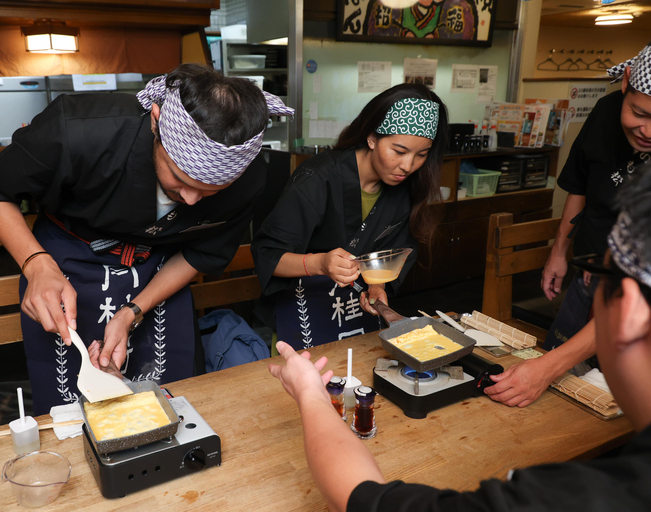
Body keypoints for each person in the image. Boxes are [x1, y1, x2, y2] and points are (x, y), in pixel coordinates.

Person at [268, 165, 651, 512]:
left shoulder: (567, 497)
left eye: (593, 273)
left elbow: (360, 496)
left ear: (631, 310)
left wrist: (310, 393)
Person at [0, 64, 293, 414]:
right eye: (178, 179)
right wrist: (35, 264)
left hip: (158, 270)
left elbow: (200, 254)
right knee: (70, 406)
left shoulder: (250, 178)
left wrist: (133, 312)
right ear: (156, 121)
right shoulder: (80, 130)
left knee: (173, 401)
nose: (190, 200)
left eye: (210, 191)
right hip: (64, 263)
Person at [486, 42, 651, 407]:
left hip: (637, 306)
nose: (648, 131)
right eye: (640, 113)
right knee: (547, 393)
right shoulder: (605, 112)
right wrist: (560, 251)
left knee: (603, 408)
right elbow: (579, 183)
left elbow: (636, 304)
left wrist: (547, 369)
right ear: (625, 82)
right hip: (589, 275)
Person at [251, 84, 448, 350]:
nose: (408, 165)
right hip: (299, 318)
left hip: (357, 317)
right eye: (399, 151)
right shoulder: (318, 179)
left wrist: (378, 287)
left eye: (421, 154)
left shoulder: (403, 190)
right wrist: (321, 263)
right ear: (372, 138)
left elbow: (392, 253)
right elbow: (267, 254)